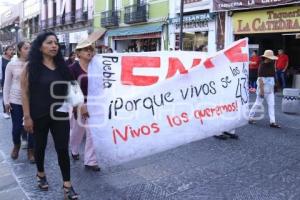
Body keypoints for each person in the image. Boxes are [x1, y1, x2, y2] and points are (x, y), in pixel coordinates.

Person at [20, 32, 78, 199]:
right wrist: (27, 116)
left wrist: (76, 105)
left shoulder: (63, 66)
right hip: (38, 114)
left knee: (62, 148)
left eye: (56, 43)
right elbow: (24, 93)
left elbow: (72, 87)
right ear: (40, 47)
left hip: (59, 114)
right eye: (49, 42)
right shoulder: (30, 67)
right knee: (40, 146)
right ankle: (40, 174)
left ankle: (67, 185)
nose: (54, 45)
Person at [69, 39, 100, 172]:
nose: (89, 51)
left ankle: (90, 160)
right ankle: (74, 149)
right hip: (78, 104)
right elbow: (73, 88)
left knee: (92, 133)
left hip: (96, 104)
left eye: (91, 49)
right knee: (77, 131)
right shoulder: (72, 69)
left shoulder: (97, 66)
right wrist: (80, 105)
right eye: (85, 49)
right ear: (78, 53)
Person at [3, 41, 35, 163]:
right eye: (26, 48)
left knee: (32, 127)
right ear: (19, 50)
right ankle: (16, 145)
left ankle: (31, 150)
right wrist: (6, 102)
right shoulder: (11, 65)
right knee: (16, 128)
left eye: (30, 48)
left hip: (32, 100)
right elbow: (7, 85)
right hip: (15, 101)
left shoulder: (34, 64)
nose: (29, 50)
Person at [249, 50, 280, 128]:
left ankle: (272, 122)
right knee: (257, 103)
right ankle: (249, 117)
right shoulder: (262, 66)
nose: (272, 59)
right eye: (270, 57)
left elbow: (273, 77)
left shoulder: (272, 65)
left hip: (270, 88)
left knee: (271, 105)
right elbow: (260, 79)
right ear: (266, 57)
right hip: (262, 88)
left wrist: (274, 87)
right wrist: (261, 91)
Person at [1, 45, 14, 119]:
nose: (12, 51)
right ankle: (5, 111)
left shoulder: (13, 59)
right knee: (5, 94)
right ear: (5, 51)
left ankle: (11, 109)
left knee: (11, 95)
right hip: (4, 80)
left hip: (13, 80)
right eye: (10, 50)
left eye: (12, 50)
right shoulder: (1, 59)